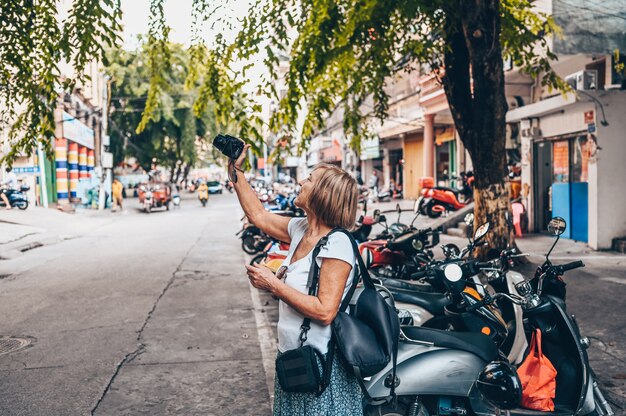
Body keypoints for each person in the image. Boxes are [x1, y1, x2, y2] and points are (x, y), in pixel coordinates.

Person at [231, 144, 362, 415]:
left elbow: (325, 311)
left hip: (322, 367)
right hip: (294, 358)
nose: (302, 181)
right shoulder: (301, 229)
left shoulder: (337, 244)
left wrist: (273, 284)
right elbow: (259, 216)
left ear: (323, 194)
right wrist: (236, 171)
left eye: (310, 179)